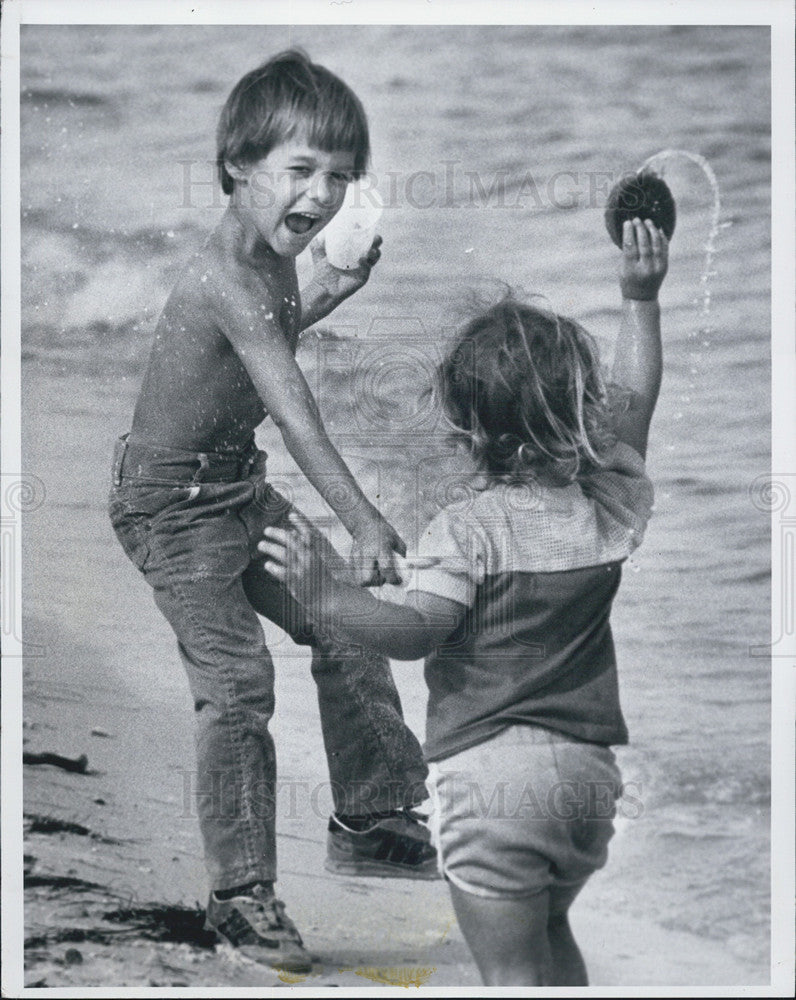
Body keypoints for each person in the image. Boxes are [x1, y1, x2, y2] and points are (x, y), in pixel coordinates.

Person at [260, 217, 669, 985]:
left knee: (510, 975)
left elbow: (414, 631)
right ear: (581, 417)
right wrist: (640, 299)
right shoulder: (604, 508)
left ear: (471, 432)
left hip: (492, 788)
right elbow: (638, 401)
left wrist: (324, 593)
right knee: (552, 937)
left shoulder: (466, 531)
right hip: (590, 783)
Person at [108, 50, 437, 975]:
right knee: (238, 683)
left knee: (347, 627)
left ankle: (371, 816)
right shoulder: (232, 280)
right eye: (301, 171)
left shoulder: (271, 267)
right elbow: (295, 413)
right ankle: (242, 893)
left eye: (340, 175)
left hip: (235, 489)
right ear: (235, 168)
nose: (323, 195)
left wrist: (331, 291)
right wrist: (368, 523)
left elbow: (267, 341)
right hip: (170, 510)